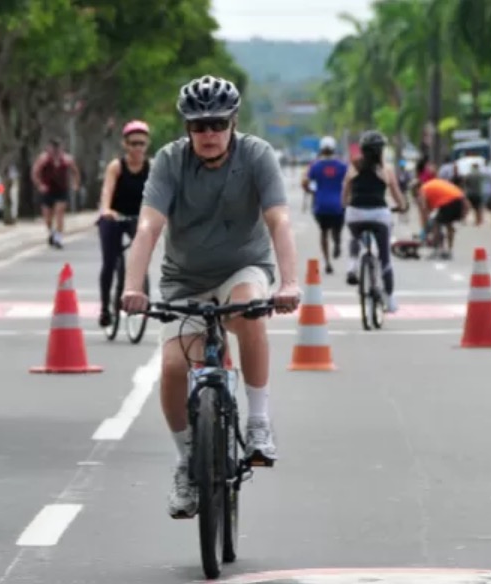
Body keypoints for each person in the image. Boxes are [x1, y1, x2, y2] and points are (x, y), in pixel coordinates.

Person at [120, 75, 301, 519]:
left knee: (251, 316)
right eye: (199, 126)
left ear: (233, 122)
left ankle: (258, 422)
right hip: (185, 280)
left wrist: (289, 283)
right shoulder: (168, 162)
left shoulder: (257, 155)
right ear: (187, 129)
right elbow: (148, 227)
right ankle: (186, 462)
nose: (209, 134)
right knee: (174, 367)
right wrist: (132, 286)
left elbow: (278, 221)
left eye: (218, 124)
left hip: (243, 267)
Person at [341, 130, 408, 312]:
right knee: (385, 257)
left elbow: (345, 191)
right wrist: (402, 205)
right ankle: (390, 299)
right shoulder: (385, 170)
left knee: (354, 236)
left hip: (355, 213)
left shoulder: (354, 167)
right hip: (379, 215)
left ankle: (353, 263)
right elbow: (395, 193)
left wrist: (345, 204)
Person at [97, 120, 151, 328]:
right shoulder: (116, 167)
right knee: (110, 262)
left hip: (139, 217)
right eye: (134, 143)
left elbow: (159, 196)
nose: (138, 148)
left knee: (141, 256)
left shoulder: (151, 167)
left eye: (142, 144)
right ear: (125, 145)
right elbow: (107, 192)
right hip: (115, 216)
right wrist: (106, 210)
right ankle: (104, 309)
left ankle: (142, 297)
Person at [301, 136, 347, 274]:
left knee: (323, 233)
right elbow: (350, 180)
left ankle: (327, 261)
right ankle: (337, 242)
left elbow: (304, 182)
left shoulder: (315, 166)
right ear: (334, 149)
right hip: (338, 205)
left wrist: (310, 191)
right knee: (336, 230)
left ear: (321, 150)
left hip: (321, 205)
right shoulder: (342, 166)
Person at [31, 139, 81, 250]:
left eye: (57, 149)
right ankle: (52, 232)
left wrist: (75, 184)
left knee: (60, 213)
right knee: (47, 217)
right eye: (52, 149)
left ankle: (58, 237)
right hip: (47, 190)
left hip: (61, 190)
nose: (54, 152)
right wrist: (40, 185)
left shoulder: (67, 159)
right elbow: (35, 172)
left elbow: (75, 172)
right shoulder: (43, 159)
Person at [416, 178, 469, 260]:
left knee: (436, 224)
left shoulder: (423, 189)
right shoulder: (432, 185)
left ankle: (437, 249)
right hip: (459, 200)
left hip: (448, 202)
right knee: (449, 225)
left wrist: (424, 230)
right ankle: (449, 250)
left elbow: (424, 210)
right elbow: (429, 209)